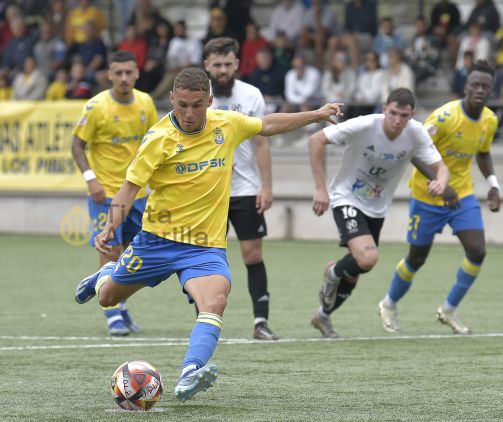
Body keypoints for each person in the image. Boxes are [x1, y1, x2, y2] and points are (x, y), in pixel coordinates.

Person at [73, 67, 343, 401]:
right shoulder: (157, 139)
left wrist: (316, 114)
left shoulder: (226, 124)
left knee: (215, 301)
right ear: (172, 98)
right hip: (157, 240)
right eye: (182, 104)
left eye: (196, 105)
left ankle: (190, 372)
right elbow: (129, 189)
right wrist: (110, 227)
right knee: (108, 298)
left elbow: (268, 124)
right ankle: (105, 274)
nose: (188, 113)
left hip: (205, 245)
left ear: (209, 101)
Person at [308, 87, 449, 338]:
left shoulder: (416, 133)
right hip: (347, 197)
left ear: (411, 115)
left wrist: (441, 182)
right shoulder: (364, 125)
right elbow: (315, 140)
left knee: (356, 271)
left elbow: (442, 167)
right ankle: (331, 273)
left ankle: (323, 315)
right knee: (367, 258)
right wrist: (320, 188)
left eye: (403, 115)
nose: (397, 120)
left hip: (377, 207)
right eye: (393, 113)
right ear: (384, 109)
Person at [377, 60, 501, 335]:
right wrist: (439, 183)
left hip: (462, 194)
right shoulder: (443, 117)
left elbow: (483, 152)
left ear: (491, 90)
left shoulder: (490, 120)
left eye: (486, 86)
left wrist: (493, 184)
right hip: (427, 195)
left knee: (477, 251)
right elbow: (415, 150)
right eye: (475, 85)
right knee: (417, 259)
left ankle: (449, 310)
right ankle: (388, 303)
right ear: (466, 87)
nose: (480, 90)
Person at [71, 51, 159, 336]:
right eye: (117, 73)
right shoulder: (96, 106)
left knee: (136, 255)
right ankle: (113, 315)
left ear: (136, 73)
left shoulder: (145, 102)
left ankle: (119, 305)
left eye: (128, 72)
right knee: (110, 251)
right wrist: (90, 179)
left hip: (139, 193)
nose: (123, 78)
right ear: (109, 75)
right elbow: (76, 144)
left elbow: (155, 142)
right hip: (106, 193)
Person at [204, 37, 278, 341]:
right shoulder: (197, 94)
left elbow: (261, 141)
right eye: (216, 65)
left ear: (236, 64)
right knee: (206, 258)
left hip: (245, 189)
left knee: (252, 254)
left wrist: (267, 186)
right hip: (208, 192)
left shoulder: (251, 95)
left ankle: (260, 322)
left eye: (227, 64)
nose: (222, 70)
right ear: (207, 65)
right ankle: (206, 322)